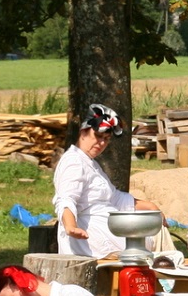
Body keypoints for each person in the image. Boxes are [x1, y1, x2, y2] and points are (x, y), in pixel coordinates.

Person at [52, 103, 161, 257]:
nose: (101, 143)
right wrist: (71, 226)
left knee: (156, 232)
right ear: (83, 132)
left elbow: (115, 198)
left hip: (108, 235)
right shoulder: (73, 162)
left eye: (106, 139)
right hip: (90, 242)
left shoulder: (91, 163)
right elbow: (66, 199)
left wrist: (149, 206)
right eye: (98, 136)